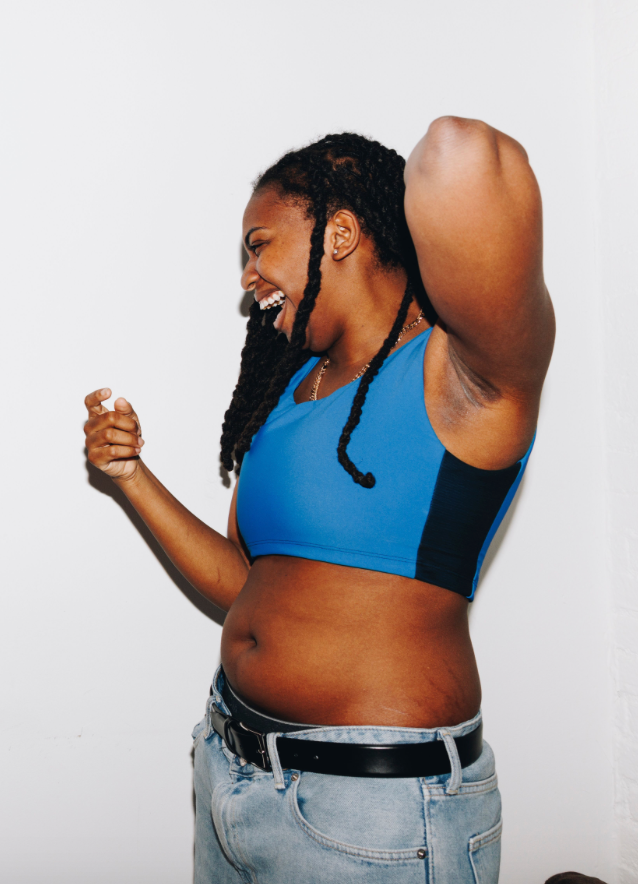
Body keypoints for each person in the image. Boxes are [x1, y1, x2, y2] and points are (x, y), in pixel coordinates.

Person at [84, 119, 554, 884]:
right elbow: (248, 587)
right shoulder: (288, 396)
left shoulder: (464, 377)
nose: (249, 277)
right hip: (232, 769)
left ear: (340, 233)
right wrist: (131, 473)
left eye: (259, 245)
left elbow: (465, 157)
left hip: (373, 808)